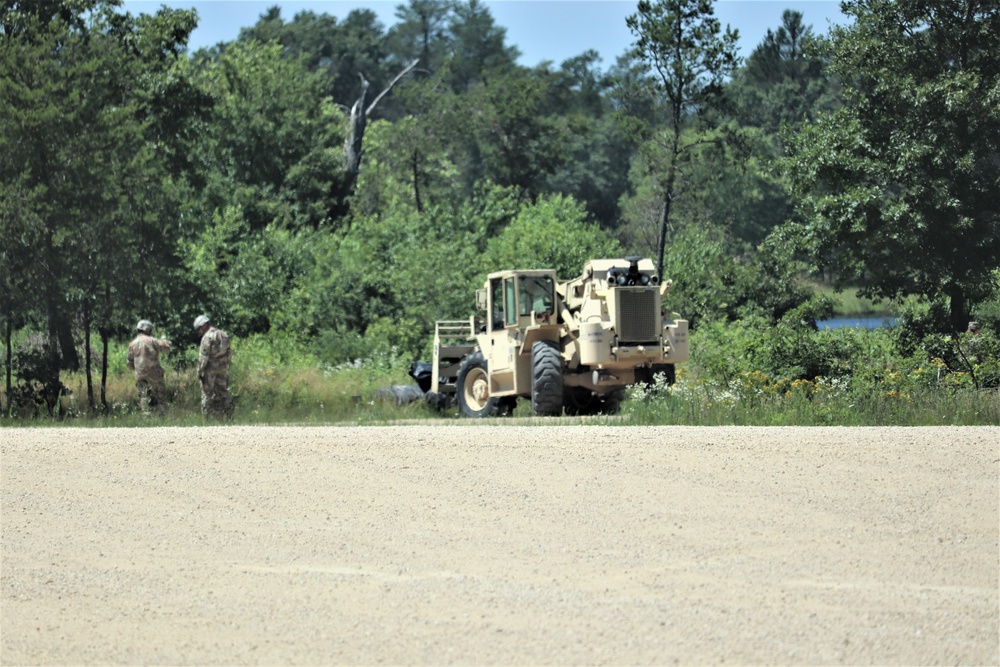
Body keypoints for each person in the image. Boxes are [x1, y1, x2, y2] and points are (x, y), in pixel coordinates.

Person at [126, 320, 172, 415]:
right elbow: (167, 348)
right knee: (160, 396)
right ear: (147, 330)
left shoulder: (132, 344)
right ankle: (163, 415)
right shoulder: (152, 341)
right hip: (154, 374)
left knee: (143, 396)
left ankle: (146, 416)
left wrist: (137, 370)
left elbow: (129, 363)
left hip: (140, 374)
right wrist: (164, 340)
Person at [194, 315, 233, 419]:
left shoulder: (207, 337)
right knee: (224, 392)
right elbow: (229, 353)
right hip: (223, 369)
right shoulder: (223, 334)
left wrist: (199, 372)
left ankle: (207, 418)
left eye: (199, 329)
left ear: (203, 325)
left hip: (209, 371)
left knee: (207, 394)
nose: (199, 331)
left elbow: (203, 357)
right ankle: (229, 416)